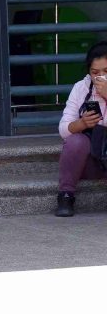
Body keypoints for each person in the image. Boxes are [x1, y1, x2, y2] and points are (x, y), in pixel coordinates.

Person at [55, 42, 107, 217]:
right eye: (95, 73)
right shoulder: (81, 87)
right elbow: (63, 129)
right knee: (75, 140)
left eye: (106, 72)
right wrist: (82, 123)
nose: (100, 77)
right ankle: (66, 196)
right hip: (91, 160)